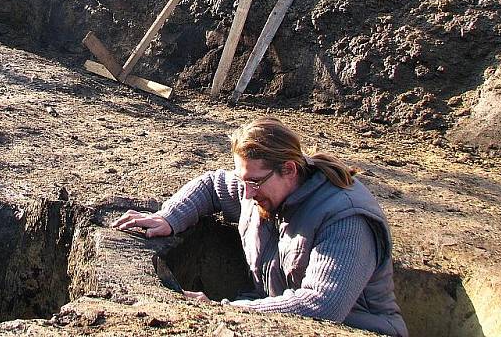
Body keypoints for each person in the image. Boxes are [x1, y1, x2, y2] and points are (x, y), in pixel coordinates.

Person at [112, 116, 408, 337]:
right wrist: (169, 217)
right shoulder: (260, 188)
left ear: (289, 170)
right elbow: (212, 185)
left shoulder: (346, 219)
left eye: (254, 182)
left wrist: (226, 310)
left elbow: (322, 306)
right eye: (244, 182)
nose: (248, 194)